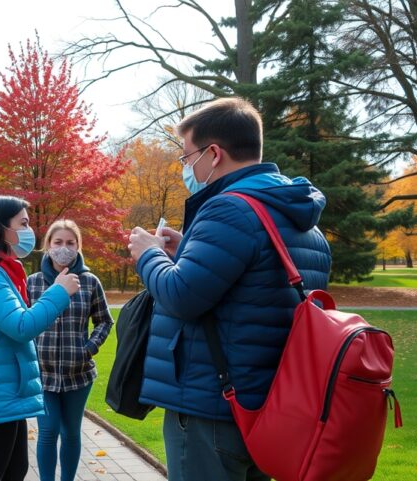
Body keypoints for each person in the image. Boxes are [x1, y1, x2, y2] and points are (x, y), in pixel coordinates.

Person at [127, 97, 332, 481]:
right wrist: (190, 245)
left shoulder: (228, 209)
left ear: (214, 154)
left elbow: (180, 296)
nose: (186, 167)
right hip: (272, 405)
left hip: (213, 407)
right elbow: (254, 288)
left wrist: (147, 255)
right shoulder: (301, 217)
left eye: (187, 157)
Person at [0, 195, 81, 481]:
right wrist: (58, 292)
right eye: (23, 223)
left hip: (5, 388)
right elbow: (21, 325)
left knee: (14, 470)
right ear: (0, 228)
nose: (28, 231)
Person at [26, 219, 114, 481]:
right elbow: (22, 323)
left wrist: (88, 349)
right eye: (58, 242)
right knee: (49, 431)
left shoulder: (89, 282)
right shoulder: (33, 283)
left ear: (78, 247)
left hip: (79, 374)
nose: (64, 248)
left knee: (72, 432)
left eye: (70, 243)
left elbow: (104, 321)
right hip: (43, 375)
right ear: (47, 246)